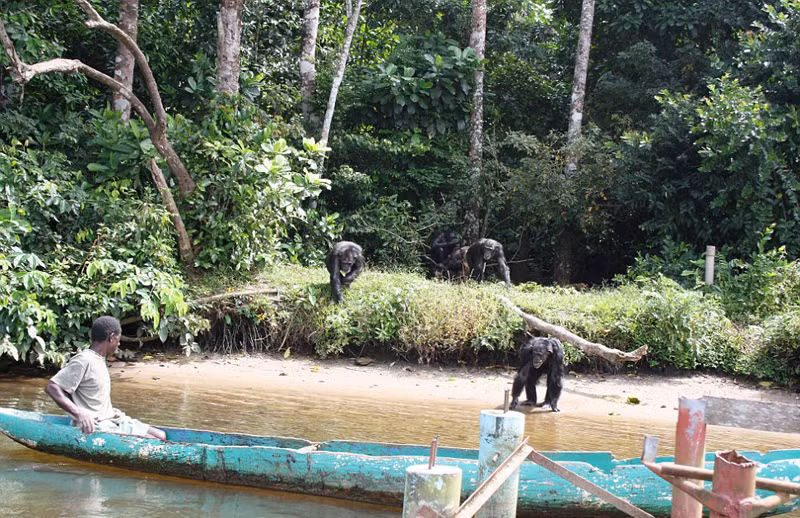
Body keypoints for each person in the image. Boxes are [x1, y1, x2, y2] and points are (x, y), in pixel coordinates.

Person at [44, 315, 166, 440]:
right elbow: (52, 387)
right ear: (111, 337)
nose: (119, 343)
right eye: (118, 339)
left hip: (112, 418)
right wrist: (79, 413)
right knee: (153, 441)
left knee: (161, 435)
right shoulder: (84, 360)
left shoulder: (99, 360)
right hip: (96, 425)